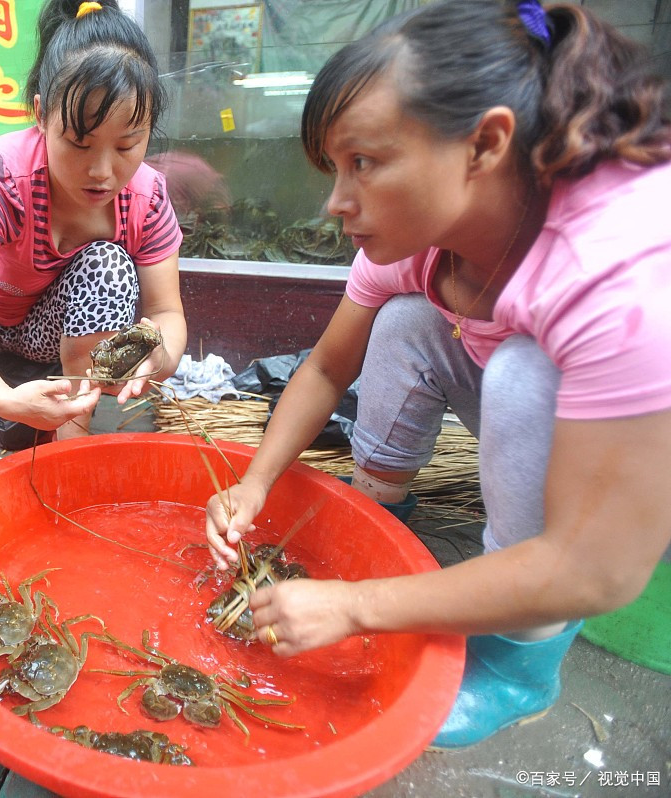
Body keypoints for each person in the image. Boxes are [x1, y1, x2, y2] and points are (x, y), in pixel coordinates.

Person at [204, 0, 671, 750]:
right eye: (334, 168)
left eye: (364, 162)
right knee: (407, 319)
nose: (336, 201)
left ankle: (523, 663)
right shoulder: (417, 240)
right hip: (584, 417)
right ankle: (382, 511)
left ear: (484, 144)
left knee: (525, 373)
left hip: (643, 462)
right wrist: (253, 483)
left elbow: (598, 572)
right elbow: (327, 366)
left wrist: (358, 606)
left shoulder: (618, 275)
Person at [0, 0, 186, 515]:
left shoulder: (149, 196)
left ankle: (68, 454)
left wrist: (159, 356)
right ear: (42, 113)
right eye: (79, 142)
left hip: (53, 337)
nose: (102, 171)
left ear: (148, 127)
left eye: (127, 145)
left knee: (109, 268)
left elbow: (167, 315)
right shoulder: (3, 172)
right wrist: (2, 398)